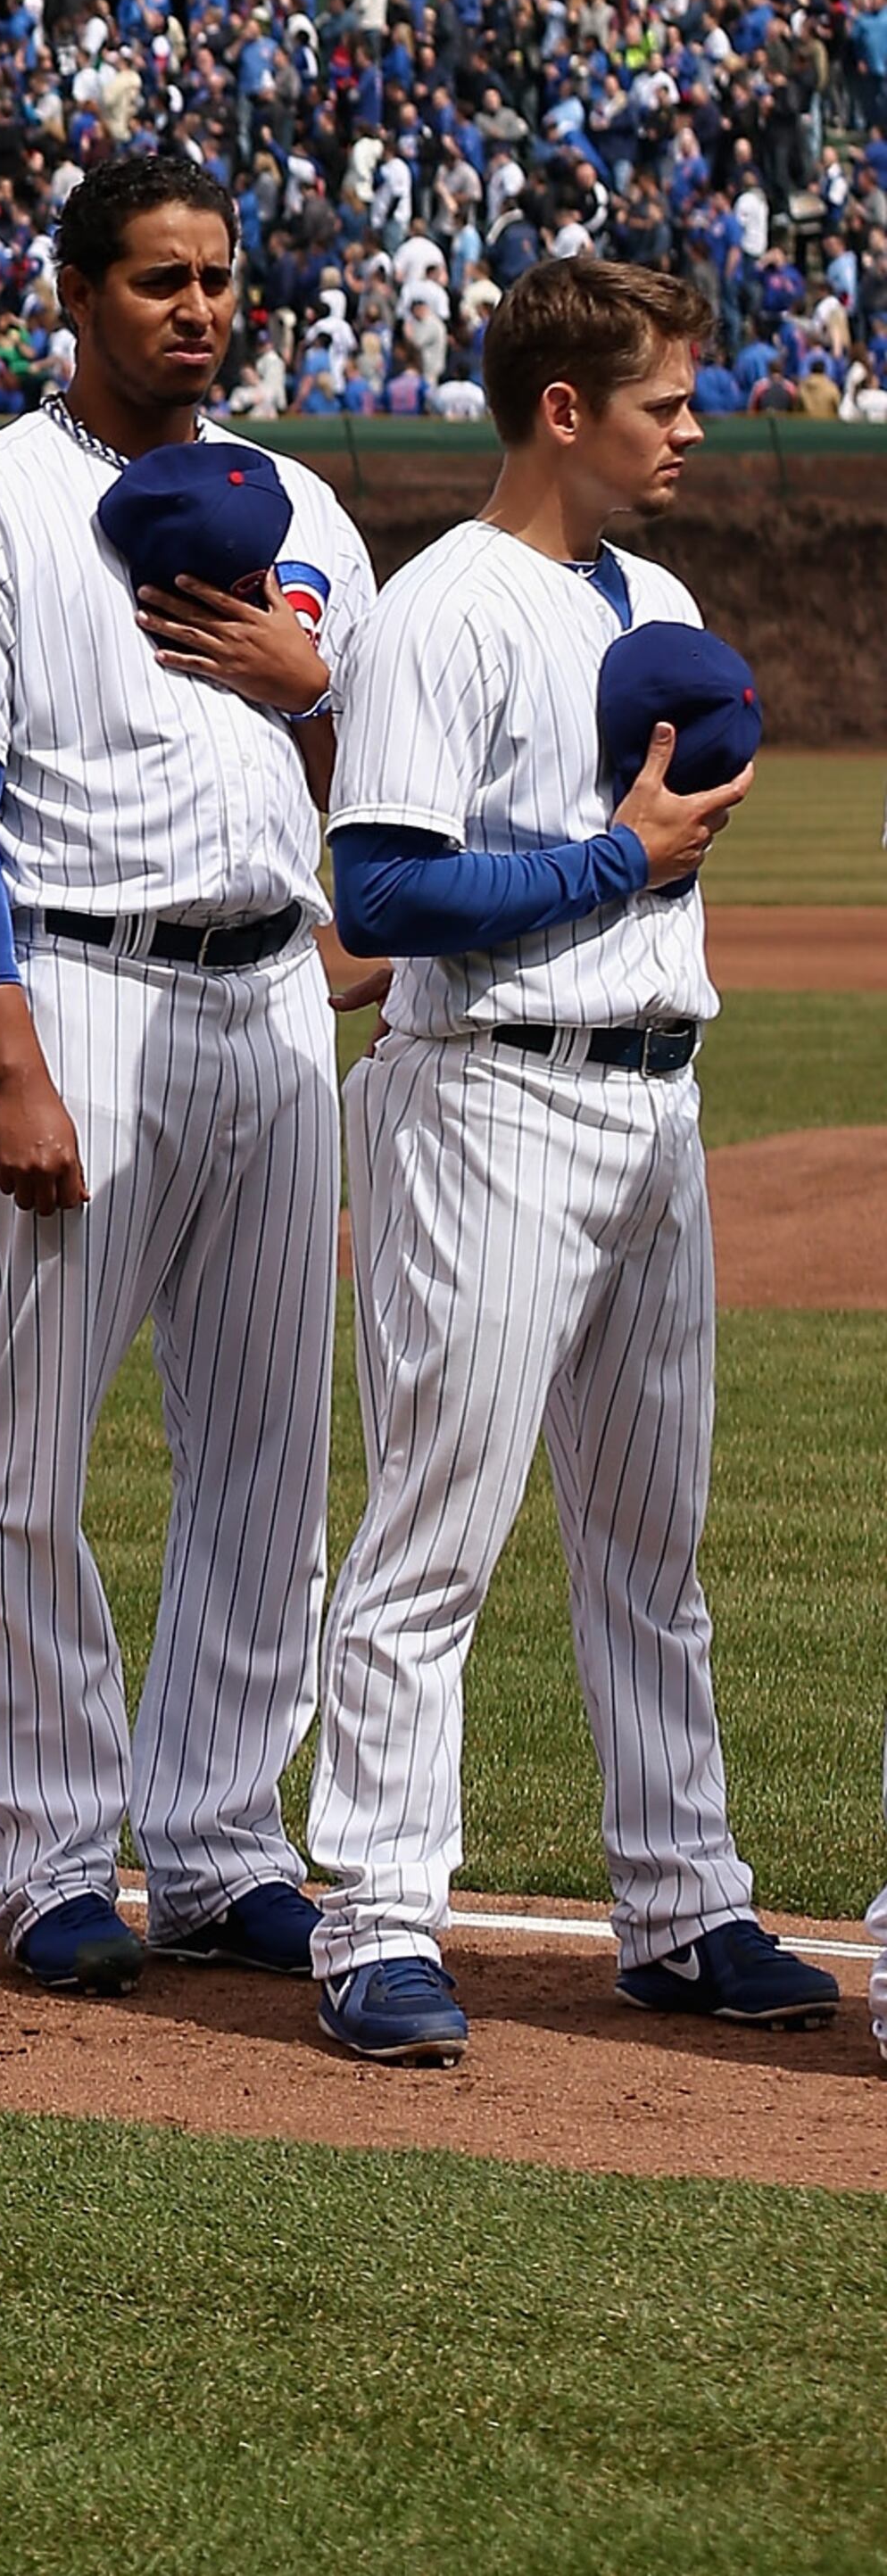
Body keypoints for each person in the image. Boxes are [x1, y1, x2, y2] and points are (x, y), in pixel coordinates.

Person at [303, 261, 838, 2062]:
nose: (692, 428)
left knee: (648, 1533)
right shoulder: (438, 610)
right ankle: (374, 1915)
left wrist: (653, 861)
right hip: (488, 1101)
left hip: (652, 1099)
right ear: (561, 409)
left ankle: (680, 1905)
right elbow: (377, 892)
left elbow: (635, 856)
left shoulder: (655, 595)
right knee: (436, 1522)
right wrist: (616, 858)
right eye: (664, 401)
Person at [0, 146, 375, 1993]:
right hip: (76, 984)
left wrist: (307, 680)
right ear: (76, 292)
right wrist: (8, 1061)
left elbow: (370, 759)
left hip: (268, 999)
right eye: (160, 277)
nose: (198, 306)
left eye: (219, 274)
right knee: (26, 1444)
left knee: (265, 1444)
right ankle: (52, 1850)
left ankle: (229, 1833)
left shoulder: (300, 503)